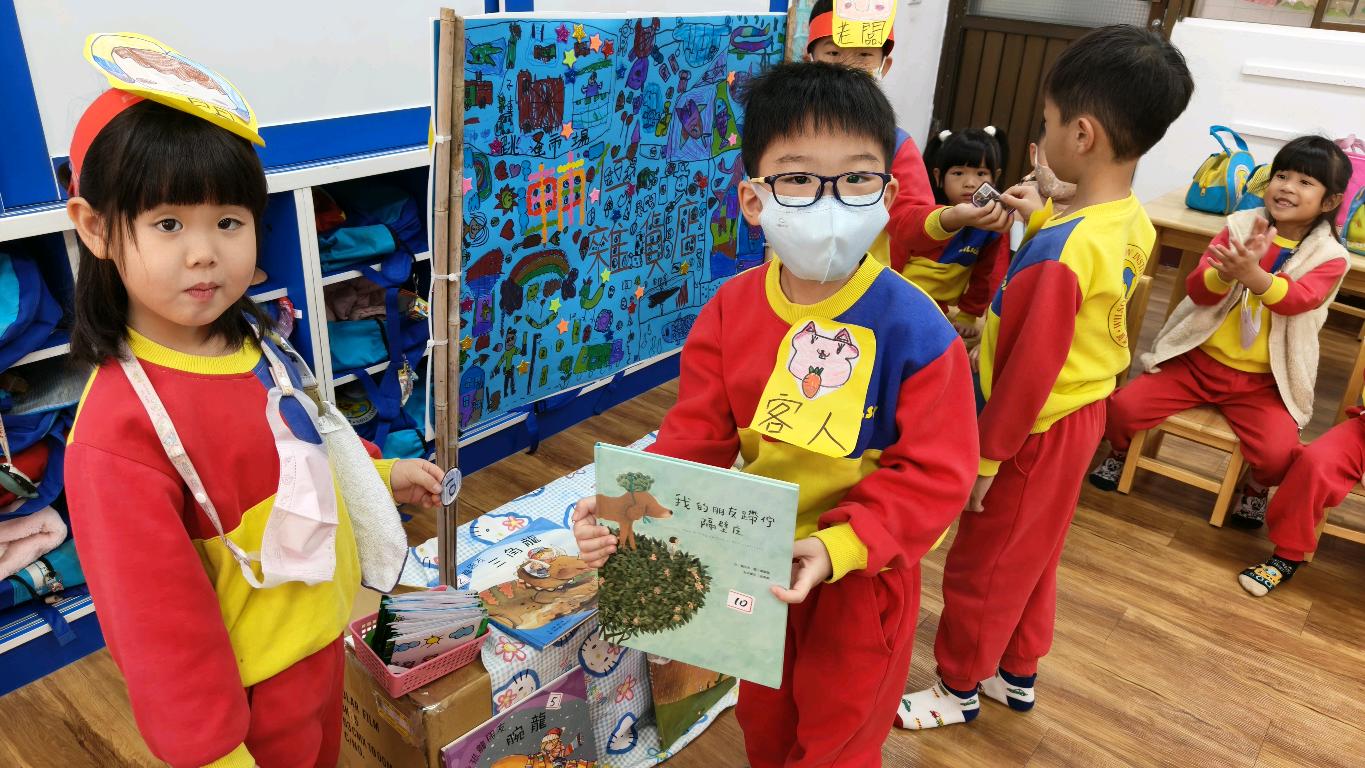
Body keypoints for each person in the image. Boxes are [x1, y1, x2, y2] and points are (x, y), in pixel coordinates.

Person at [574, 62, 977, 766]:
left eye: (856, 179)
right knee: (765, 723)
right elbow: (693, 441)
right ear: (754, 199)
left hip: (858, 582)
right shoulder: (730, 312)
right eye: (797, 179)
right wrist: (622, 505)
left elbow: (937, 473)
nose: (829, 201)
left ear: (887, 195)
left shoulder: (916, 330)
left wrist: (840, 546)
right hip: (751, 568)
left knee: (838, 743)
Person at [61, 89, 445, 767]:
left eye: (229, 221)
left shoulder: (256, 343)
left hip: (323, 639)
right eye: (168, 223)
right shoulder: (116, 438)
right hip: (252, 697)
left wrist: (382, 474)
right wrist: (215, 753)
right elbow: (159, 635)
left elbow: (309, 451)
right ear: (95, 228)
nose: (204, 253)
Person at [898, 24, 1194, 729]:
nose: (1042, 136)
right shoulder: (1127, 218)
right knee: (1034, 552)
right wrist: (1040, 227)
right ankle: (1016, 672)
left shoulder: (1060, 252)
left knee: (986, 561)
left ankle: (957, 688)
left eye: (1048, 122)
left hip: (1031, 427)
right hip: (1080, 413)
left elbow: (1030, 369)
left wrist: (986, 459)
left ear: (1081, 135)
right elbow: (1077, 293)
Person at [1090, 136, 1352, 529]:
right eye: (1282, 175)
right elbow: (1198, 290)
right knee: (1121, 409)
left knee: (1279, 455)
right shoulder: (1240, 226)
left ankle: (1255, 487)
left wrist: (1253, 275)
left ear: (1329, 201)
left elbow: (1298, 300)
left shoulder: (1330, 256)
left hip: (1263, 383)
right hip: (1196, 363)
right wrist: (1226, 274)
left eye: (1305, 182)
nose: (1287, 187)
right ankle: (1119, 451)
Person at [803, 0, 949, 272]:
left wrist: (949, 218)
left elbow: (908, 221)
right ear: (808, 60)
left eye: (863, 55)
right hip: (792, 274)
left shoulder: (896, 146)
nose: (847, 67)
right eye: (833, 53)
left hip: (867, 283)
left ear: (885, 65)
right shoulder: (786, 135)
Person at [895, 126, 1013, 338]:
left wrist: (969, 314)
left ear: (995, 177)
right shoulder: (924, 215)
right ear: (939, 176)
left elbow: (987, 274)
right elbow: (894, 258)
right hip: (900, 299)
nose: (970, 183)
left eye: (981, 173)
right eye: (958, 173)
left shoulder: (993, 226)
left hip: (942, 312)